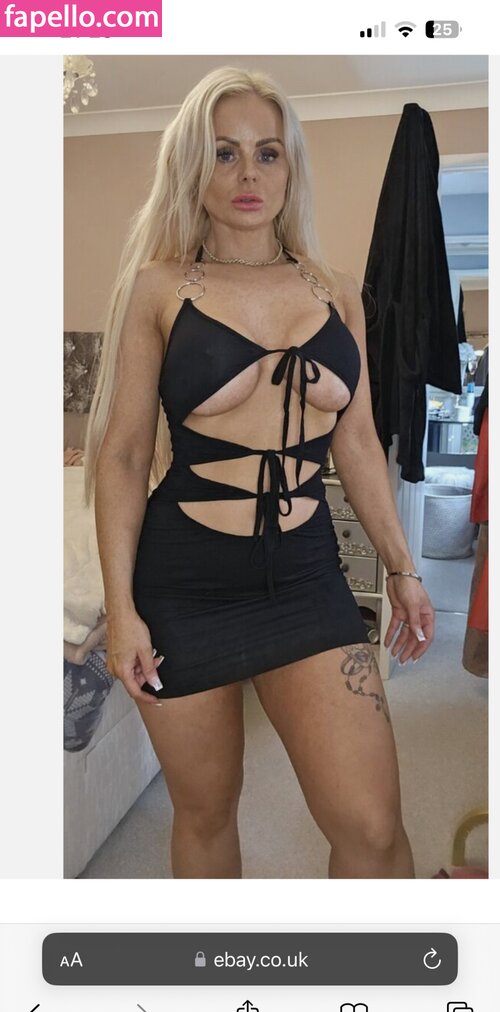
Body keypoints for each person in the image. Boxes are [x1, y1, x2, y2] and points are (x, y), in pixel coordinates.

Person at [84, 66, 435, 880]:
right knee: (207, 814)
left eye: (267, 152)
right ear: (192, 168)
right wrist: (122, 611)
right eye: (224, 152)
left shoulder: (336, 291)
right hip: (186, 585)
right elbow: (125, 455)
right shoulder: (158, 288)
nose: (248, 173)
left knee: (374, 828)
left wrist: (403, 567)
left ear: (290, 165)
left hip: (306, 576)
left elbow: (356, 443)